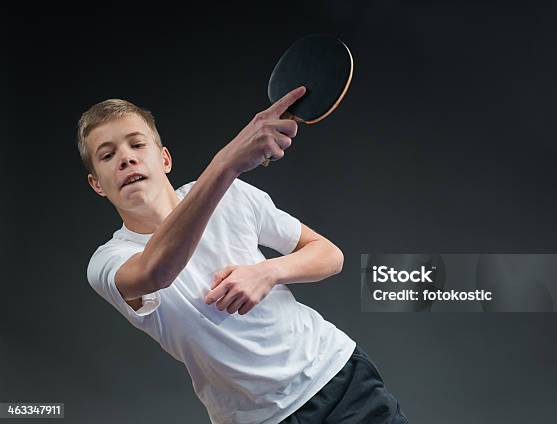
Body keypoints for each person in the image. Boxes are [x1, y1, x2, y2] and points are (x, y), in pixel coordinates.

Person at [78, 86, 408, 423]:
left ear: (164, 159)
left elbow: (329, 254)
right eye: (107, 155)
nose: (126, 158)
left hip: (337, 375)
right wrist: (226, 163)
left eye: (137, 144)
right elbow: (156, 272)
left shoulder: (231, 195)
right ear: (97, 184)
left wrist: (266, 272)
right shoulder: (108, 262)